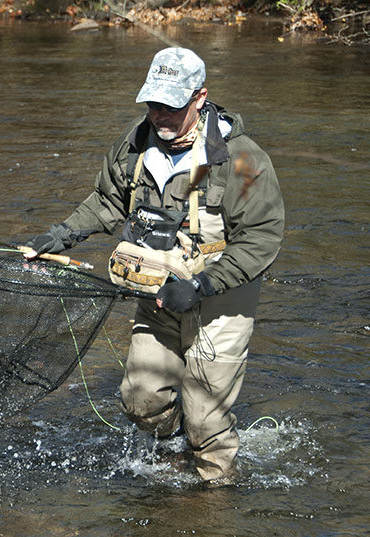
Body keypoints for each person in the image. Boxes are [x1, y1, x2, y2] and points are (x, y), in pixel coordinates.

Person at [23, 47, 284, 482]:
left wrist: (200, 286)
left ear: (200, 98)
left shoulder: (241, 160)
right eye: (153, 103)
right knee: (141, 400)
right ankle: (173, 453)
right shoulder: (136, 143)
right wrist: (60, 235)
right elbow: (108, 200)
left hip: (221, 302)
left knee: (207, 422)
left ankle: (214, 497)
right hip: (158, 294)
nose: (159, 115)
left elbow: (262, 238)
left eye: (171, 105)